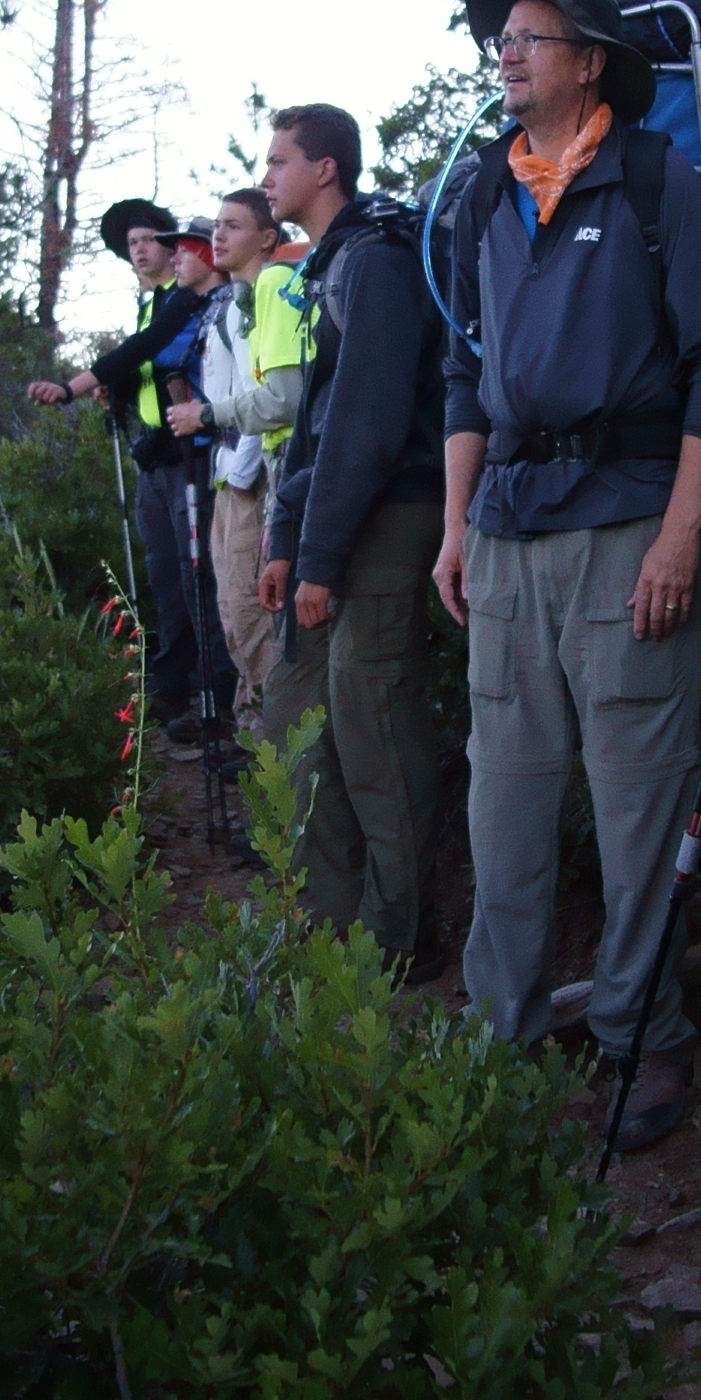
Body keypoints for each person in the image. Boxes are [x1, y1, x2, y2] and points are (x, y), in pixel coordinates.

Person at [432, 0, 701, 1150]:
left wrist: (681, 532)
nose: (506, 54)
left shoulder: (657, 180)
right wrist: (456, 526)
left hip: (628, 524)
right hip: (507, 528)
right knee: (504, 801)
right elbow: (466, 373)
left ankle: (642, 1036)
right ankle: (499, 1040)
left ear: (591, 59)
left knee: (638, 800)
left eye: (530, 37)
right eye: (500, 39)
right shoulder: (484, 191)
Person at [255, 104, 448, 965]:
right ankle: (330, 929)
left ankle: (397, 943)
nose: (266, 178)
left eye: (279, 161)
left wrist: (320, 558)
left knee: (374, 728)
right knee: (294, 722)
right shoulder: (329, 264)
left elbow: (369, 424)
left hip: (391, 515)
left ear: (324, 168)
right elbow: (316, 423)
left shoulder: (376, 262)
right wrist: (286, 540)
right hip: (335, 522)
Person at [27, 198, 221, 743]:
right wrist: (118, 394)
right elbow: (144, 369)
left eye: (148, 240)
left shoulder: (188, 300)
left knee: (194, 571)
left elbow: (146, 351)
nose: (139, 251)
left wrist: (73, 387)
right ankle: (173, 681)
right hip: (156, 452)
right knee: (165, 570)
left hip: (192, 451)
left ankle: (211, 690)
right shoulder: (151, 303)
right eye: (131, 244)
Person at [168, 187, 314, 711]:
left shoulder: (268, 290)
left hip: (253, 476)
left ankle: (272, 734)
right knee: (234, 612)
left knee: (252, 613)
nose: (218, 235)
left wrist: (211, 425)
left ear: (268, 238)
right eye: (217, 225)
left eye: (233, 225)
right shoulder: (234, 303)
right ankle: (256, 727)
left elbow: (273, 398)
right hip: (231, 471)